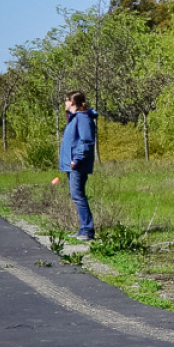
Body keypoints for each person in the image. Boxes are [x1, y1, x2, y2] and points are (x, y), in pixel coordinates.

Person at [56, 90, 98, 241]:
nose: (65, 104)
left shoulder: (82, 118)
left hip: (77, 165)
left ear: (72, 102)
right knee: (76, 195)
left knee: (78, 195)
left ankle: (87, 230)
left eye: (66, 101)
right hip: (71, 165)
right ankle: (83, 229)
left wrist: (77, 159)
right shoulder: (74, 118)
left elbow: (86, 141)